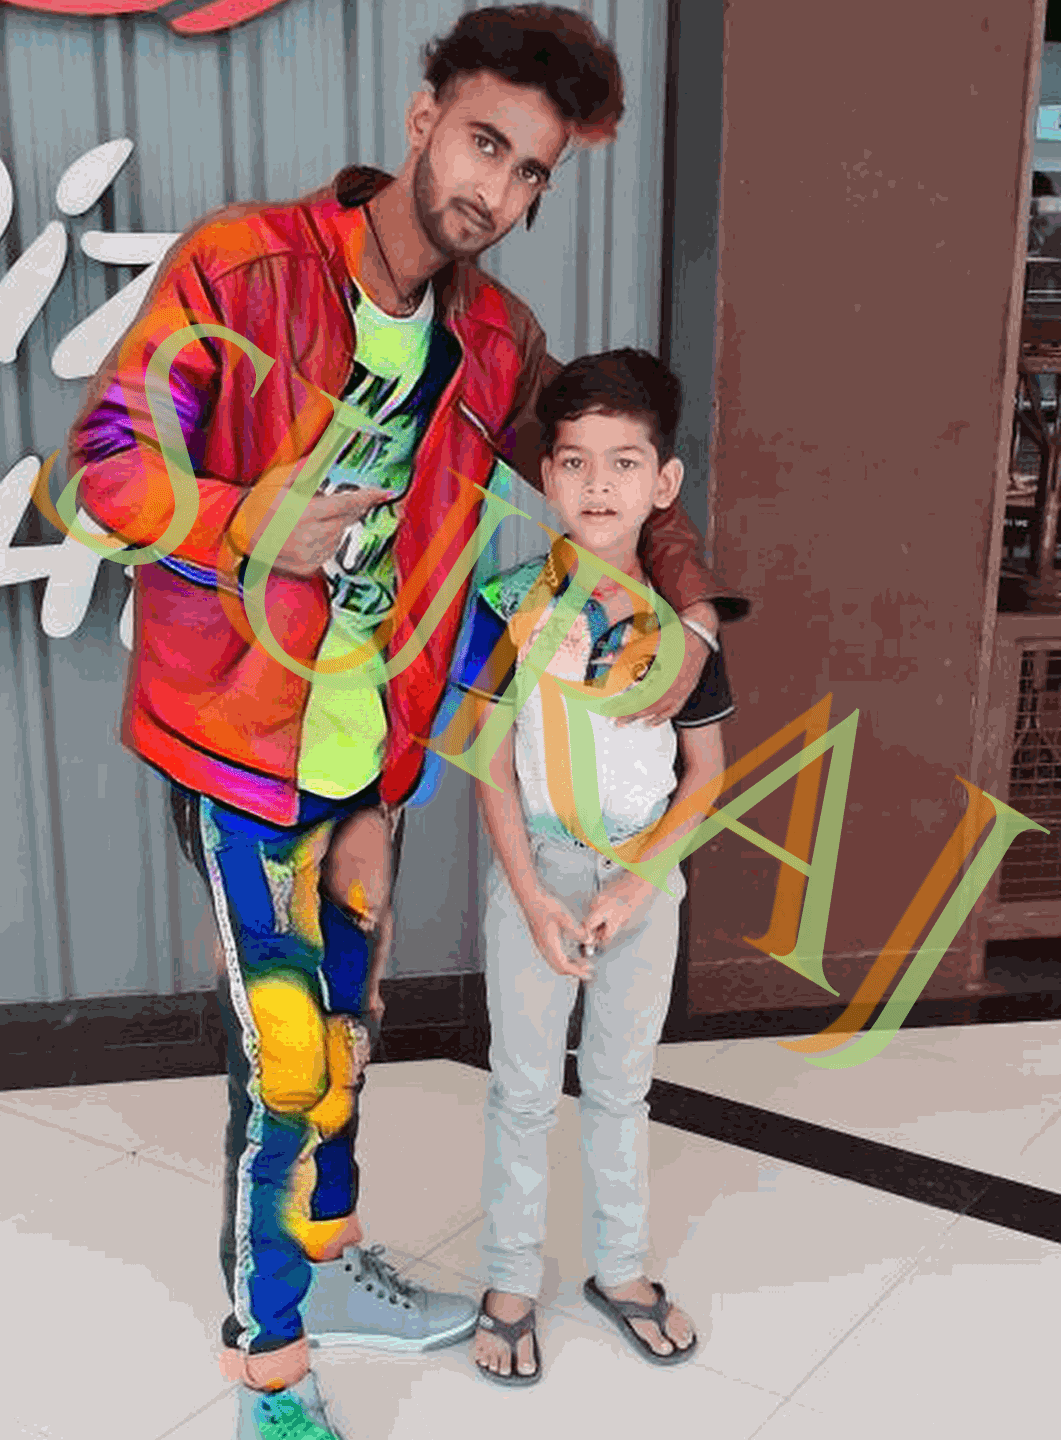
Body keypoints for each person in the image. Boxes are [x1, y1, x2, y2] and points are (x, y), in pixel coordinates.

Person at [66, 8, 743, 1436]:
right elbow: (102, 468)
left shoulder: (497, 342)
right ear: (424, 113)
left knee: (350, 1029)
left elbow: (601, 481)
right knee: (288, 1061)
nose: (498, 190)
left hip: (371, 760)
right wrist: (249, 520)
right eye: (485, 142)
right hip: (240, 744)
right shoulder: (244, 267)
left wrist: (685, 602)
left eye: (532, 170)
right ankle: (269, 1367)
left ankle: (329, 1261)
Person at [457, 349, 732, 1384]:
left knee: (620, 1087)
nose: (598, 485)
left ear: (663, 483)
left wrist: (640, 880)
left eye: (624, 463)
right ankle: (508, 1281)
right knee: (524, 1090)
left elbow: (706, 775)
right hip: (535, 875)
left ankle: (620, 1270)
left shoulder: (685, 637)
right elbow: (487, 762)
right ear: (546, 477)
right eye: (574, 462)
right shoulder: (507, 606)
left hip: (642, 883)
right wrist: (531, 895)